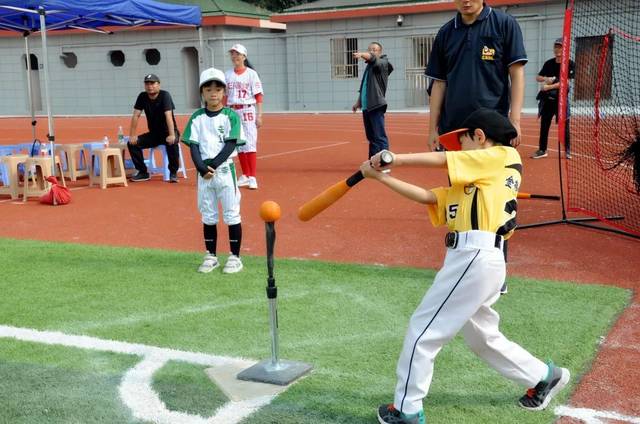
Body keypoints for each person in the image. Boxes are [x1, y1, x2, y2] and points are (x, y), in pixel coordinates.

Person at [360, 109, 570, 424]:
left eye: (462, 142)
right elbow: (429, 198)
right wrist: (381, 177)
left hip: (476, 254)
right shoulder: (477, 181)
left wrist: (393, 158)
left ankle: (407, 409)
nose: (456, 152)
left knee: (423, 331)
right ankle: (543, 376)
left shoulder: (502, 155)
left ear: (480, 136)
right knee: (481, 337)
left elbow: (445, 162)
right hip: (476, 258)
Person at [425, 0, 527, 150]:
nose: (466, 1)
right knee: (457, 173)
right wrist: (432, 129)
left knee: (491, 173)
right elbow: (439, 84)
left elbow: (517, 74)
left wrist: (515, 120)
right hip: (454, 127)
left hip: (492, 124)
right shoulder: (445, 33)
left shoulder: (504, 23)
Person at [182, 67, 245, 274]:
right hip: (204, 174)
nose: (213, 93)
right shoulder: (197, 117)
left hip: (224, 171)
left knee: (231, 213)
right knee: (208, 215)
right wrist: (201, 168)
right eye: (208, 89)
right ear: (202, 92)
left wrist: (213, 165)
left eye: (218, 89)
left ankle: (235, 257)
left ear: (224, 92)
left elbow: (231, 144)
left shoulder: (231, 116)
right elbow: (193, 145)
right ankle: (211, 255)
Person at [128, 73, 180, 183]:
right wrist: (132, 135)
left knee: (172, 143)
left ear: (158, 85)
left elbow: (168, 116)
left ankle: (173, 172)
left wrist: (171, 135)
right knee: (132, 143)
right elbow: (136, 115)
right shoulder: (142, 96)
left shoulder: (165, 95)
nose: (150, 86)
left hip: (168, 132)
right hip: (154, 134)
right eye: (147, 83)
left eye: (152, 83)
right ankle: (142, 172)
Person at [225, 44, 263, 190]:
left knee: (250, 143)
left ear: (244, 56)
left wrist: (259, 115)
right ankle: (245, 175)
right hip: (232, 111)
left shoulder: (251, 74)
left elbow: (258, 95)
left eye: (237, 54)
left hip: (247, 110)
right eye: (233, 54)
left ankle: (252, 177)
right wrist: (223, 112)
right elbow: (225, 95)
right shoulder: (227, 74)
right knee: (239, 143)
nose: (235, 56)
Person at [532, 38, 576, 159]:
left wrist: (548, 87)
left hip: (561, 101)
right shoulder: (548, 63)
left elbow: (565, 83)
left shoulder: (570, 63)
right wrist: (546, 79)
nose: (557, 49)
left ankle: (567, 151)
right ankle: (542, 149)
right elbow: (538, 77)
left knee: (565, 125)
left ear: (565, 48)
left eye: (560, 47)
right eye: (556, 47)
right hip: (548, 100)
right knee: (544, 125)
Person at [352, 42, 394, 158]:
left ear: (380, 52)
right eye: (370, 49)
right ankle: (373, 161)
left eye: (374, 49)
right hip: (367, 106)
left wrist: (361, 54)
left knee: (379, 136)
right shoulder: (368, 68)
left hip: (376, 105)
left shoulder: (383, 63)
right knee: (371, 137)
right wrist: (358, 102)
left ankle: (385, 162)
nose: (371, 51)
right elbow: (364, 87)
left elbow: (373, 60)